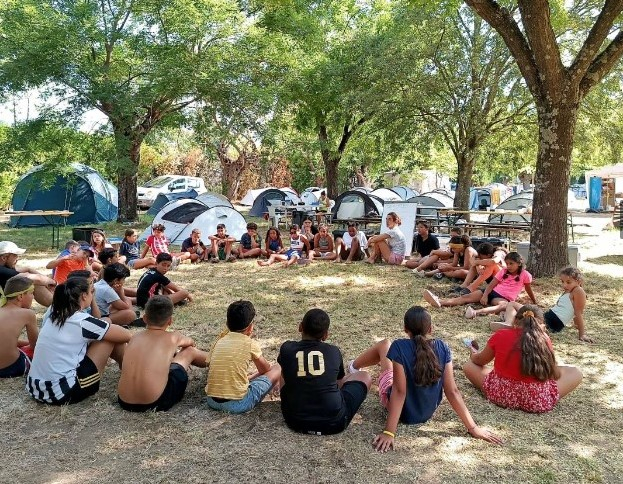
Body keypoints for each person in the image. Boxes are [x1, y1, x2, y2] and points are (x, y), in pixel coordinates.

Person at [350, 306, 502, 452]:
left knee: (384, 345)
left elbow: (399, 391)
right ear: (430, 329)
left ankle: (353, 367)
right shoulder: (443, 347)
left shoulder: (399, 346)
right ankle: (356, 366)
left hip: (401, 411)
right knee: (388, 354)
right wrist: (473, 428)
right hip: (426, 412)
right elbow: (452, 391)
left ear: (405, 329)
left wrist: (389, 432)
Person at [26, 277, 131, 405]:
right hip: (62, 392)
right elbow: (126, 335)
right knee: (109, 338)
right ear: (83, 296)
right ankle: (128, 371)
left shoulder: (55, 315)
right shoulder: (81, 321)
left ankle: (126, 368)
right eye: (91, 292)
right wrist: (108, 324)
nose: (93, 295)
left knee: (107, 332)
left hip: (36, 388)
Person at [463, 304, 583, 413]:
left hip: (501, 395)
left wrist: (473, 352)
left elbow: (479, 360)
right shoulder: (544, 339)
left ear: (515, 321)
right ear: (541, 325)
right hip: (536, 401)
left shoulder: (501, 335)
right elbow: (552, 372)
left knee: (469, 365)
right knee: (576, 372)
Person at [278, 308, 371, 435]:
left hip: (295, 421)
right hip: (334, 423)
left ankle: (293, 398)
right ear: (326, 335)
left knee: (284, 367)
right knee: (364, 376)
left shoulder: (287, 348)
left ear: (300, 327)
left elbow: (285, 374)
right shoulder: (333, 351)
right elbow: (339, 384)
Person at [117, 296, 209, 412]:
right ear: (170, 321)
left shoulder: (134, 337)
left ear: (145, 318)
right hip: (156, 402)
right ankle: (218, 360)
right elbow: (191, 342)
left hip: (124, 401)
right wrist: (175, 351)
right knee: (190, 351)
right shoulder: (173, 337)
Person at [204, 300, 281, 414]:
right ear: (250, 327)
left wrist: (249, 377)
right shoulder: (249, 343)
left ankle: (248, 380)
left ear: (227, 324)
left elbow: (209, 364)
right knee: (277, 367)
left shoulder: (219, 341)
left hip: (211, 401)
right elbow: (265, 369)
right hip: (238, 404)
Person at [491, 267, 593, 342]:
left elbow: (578, 313)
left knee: (512, 305)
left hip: (552, 321)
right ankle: (511, 321)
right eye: (562, 282)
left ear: (578, 281)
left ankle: (509, 323)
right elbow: (574, 313)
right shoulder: (570, 290)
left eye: (568, 282)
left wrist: (582, 334)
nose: (564, 285)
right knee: (516, 309)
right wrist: (575, 325)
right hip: (548, 317)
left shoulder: (578, 291)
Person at [423, 251, 536, 319]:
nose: (509, 266)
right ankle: (440, 302)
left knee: (504, 306)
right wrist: (485, 294)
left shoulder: (525, 275)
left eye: (511, 264)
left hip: (504, 298)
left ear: (519, 263)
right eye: (507, 263)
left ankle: (475, 312)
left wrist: (534, 301)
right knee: (465, 297)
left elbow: (528, 289)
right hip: (492, 292)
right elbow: (491, 284)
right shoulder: (504, 271)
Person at [0, 275, 38, 378]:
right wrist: (28, 345)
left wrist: (24, 344)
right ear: (20, 296)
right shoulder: (28, 314)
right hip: (11, 367)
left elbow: (5, 339)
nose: (33, 297)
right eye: (31, 293)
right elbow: (36, 346)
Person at [0, 241, 56, 307]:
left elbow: (27, 269)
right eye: (15, 255)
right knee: (31, 282)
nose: (18, 258)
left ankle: (57, 306)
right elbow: (37, 279)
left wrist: (46, 283)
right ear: (4, 258)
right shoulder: (3, 271)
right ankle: (59, 306)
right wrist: (54, 283)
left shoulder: (4, 268)